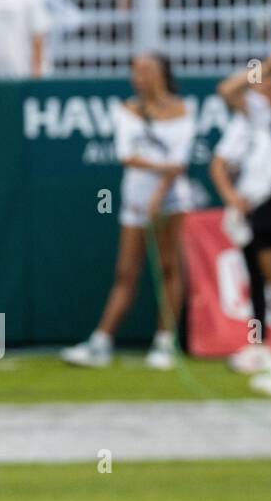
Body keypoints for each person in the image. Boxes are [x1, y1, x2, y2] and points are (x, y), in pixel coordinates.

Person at [62, 53, 196, 370]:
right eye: (135, 72)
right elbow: (127, 155)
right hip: (135, 201)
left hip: (173, 201)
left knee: (169, 267)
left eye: (146, 71)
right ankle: (102, 341)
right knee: (126, 271)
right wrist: (159, 174)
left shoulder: (183, 110)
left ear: (162, 73)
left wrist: (160, 193)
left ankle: (165, 341)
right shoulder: (127, 110)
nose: (139, 78)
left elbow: (180, 163)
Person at [217, 38, 271, 397]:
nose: (263, 89)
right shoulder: (267, 114)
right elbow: (229, 90)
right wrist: (268, 64)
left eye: (270, 84)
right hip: (266, 205)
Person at [209, 99, 271, 375]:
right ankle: (260, 346)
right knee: (258, 280)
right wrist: (232, 198)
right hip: (255, 211)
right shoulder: (248, 121)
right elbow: (219, 164)